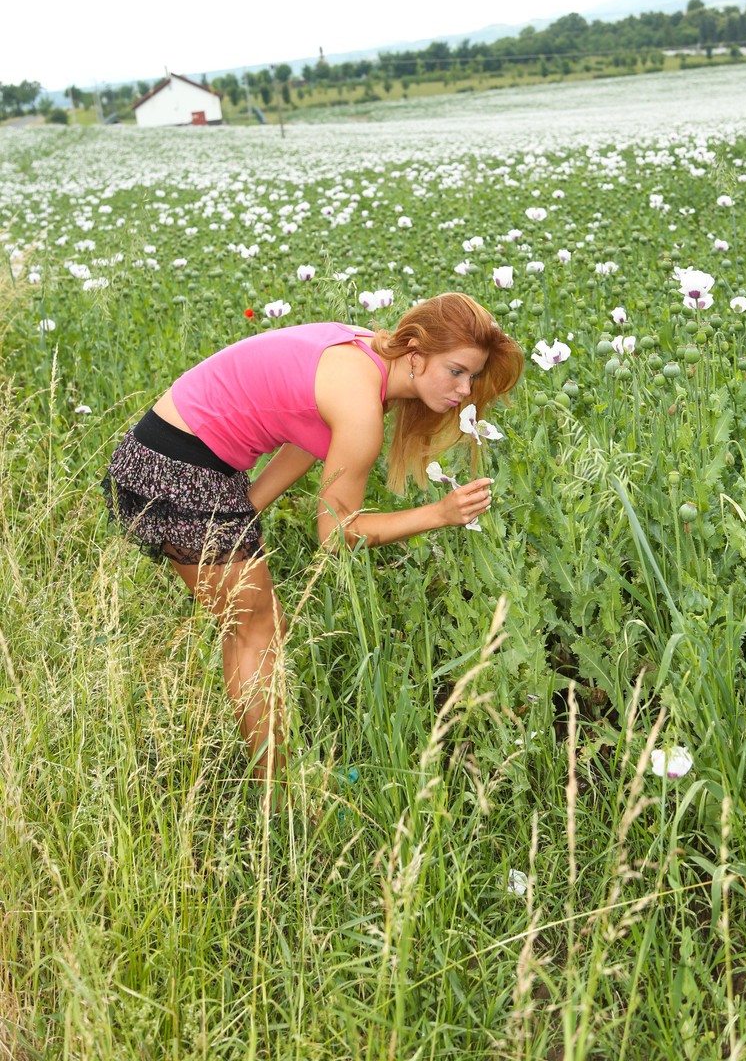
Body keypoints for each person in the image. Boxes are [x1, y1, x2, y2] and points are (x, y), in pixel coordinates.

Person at [102, 292, 524, 781]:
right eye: (456, 371)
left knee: (251, 627)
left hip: (178, 460)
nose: (465, 390)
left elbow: (304, 432)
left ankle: (265, 772)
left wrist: (241, 517)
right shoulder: (360, 402)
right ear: (415, 353)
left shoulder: (366, 354)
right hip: (178, 468)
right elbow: (337, 533)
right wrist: (439, 513)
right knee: (258, 630)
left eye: (471, 377)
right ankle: (276, 797)